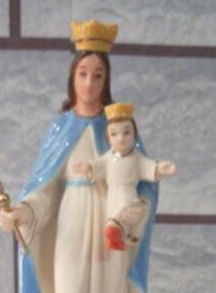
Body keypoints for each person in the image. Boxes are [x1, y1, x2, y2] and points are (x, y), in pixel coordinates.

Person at [0, 20, 160, 293]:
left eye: (97, 75)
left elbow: (143, 180)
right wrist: (23, 212)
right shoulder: (60, 128)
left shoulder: (120, 129)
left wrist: (134, 213)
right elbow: (45, 189)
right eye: (83, 73)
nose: (89, 83)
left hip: (110, 226)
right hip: (70, 222)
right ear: (72, 78)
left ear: (107, 80)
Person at [71, 102, 176, 251]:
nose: (121, 138)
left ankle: (123, 234)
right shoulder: (107, 159)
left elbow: (149, 166)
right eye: (114, 134)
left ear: (134, 135)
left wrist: (160, 168)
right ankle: (116, 232)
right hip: (114, 196)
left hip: (129, 194)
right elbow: (97, 166)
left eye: (126, 132)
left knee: (137, 211)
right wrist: (87, 167)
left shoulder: (137, 159)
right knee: (118, 216)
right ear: (108, 138)